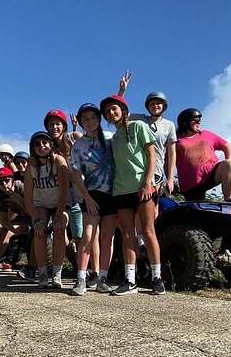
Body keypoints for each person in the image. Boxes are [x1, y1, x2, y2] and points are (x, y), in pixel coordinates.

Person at [100, 95, 166, 295]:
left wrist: (148, 181)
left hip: (143, 187)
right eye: (108, 111)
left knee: (148, 231)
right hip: (121, 189)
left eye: (114, 109)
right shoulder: (114, 138)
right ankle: (130, 280)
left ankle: (157, 278)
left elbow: (151, 154)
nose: (112, 113)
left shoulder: (138, 126)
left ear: (123, 110)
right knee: (127, 235)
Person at [69, 103, 118, 296]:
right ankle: (81, 278)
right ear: (80, 122)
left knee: (108, 237)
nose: (89, 122)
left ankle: (102, 279)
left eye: (93, 118)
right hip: (91, 195)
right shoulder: (78, 146)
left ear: (99, 119)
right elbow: (75, 174)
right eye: (85, 119)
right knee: (88, 236)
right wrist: (87, 198)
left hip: (113, 193)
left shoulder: (110, 139)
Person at [118, 71, 177, 195]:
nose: (155, 105)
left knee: (153, 209)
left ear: (164, 106)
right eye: (152, 103)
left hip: (156, 171)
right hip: (138, 169)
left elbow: (171, 153)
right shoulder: (141, 119)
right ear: (147, 106)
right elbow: (119, 114)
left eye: (158, 103)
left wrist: (170, 178)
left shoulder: (169, 125)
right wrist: (122, 91)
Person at [24, 130, 70, 289]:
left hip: (60, 202)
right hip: (40, 203)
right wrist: (36, 220)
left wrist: (58, 217)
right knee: (39, 231)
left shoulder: (59, 160)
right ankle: (42, 272)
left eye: (44, 142)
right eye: (37, 144)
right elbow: (28, 199)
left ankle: (57, 273)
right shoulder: (30, 166)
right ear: (32, 148)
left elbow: (64, 192)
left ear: (51, 144)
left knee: (59, 230)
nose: (41, 146)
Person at [44, 109, 83, 270]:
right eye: (51, 124)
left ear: (64, 126)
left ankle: (84, 270)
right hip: (59, 198)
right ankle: (77, 266)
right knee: (61, 235)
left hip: (78, 195)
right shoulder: (46, 147)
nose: (54, 127)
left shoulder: (74, 139)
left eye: (57, 124)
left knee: (80, 235)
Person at [175, 108, 231, 201]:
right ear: (185, 123)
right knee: (195, 211)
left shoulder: (206, 134)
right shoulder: (176, 140)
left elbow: (226, 146)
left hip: (210, 175)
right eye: (195, 121)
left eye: (199, 120)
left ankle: (229, 200)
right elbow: (168, 160)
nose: (198, 123)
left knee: (229, 164)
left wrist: (229, 159)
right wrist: (169, 180)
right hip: (190, 184)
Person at [0, 167, 33, 273]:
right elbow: (3, 220)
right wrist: (14, 229)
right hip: (21, 217)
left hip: (35, 216)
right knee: (3, 230)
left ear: (12, 180)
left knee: (36, 234)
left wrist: (19, 200)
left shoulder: (22, 188)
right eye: (0, 182)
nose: (4, 184)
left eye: (7, 181)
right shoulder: (2, 193)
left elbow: (33, 212)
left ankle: (32, 267)